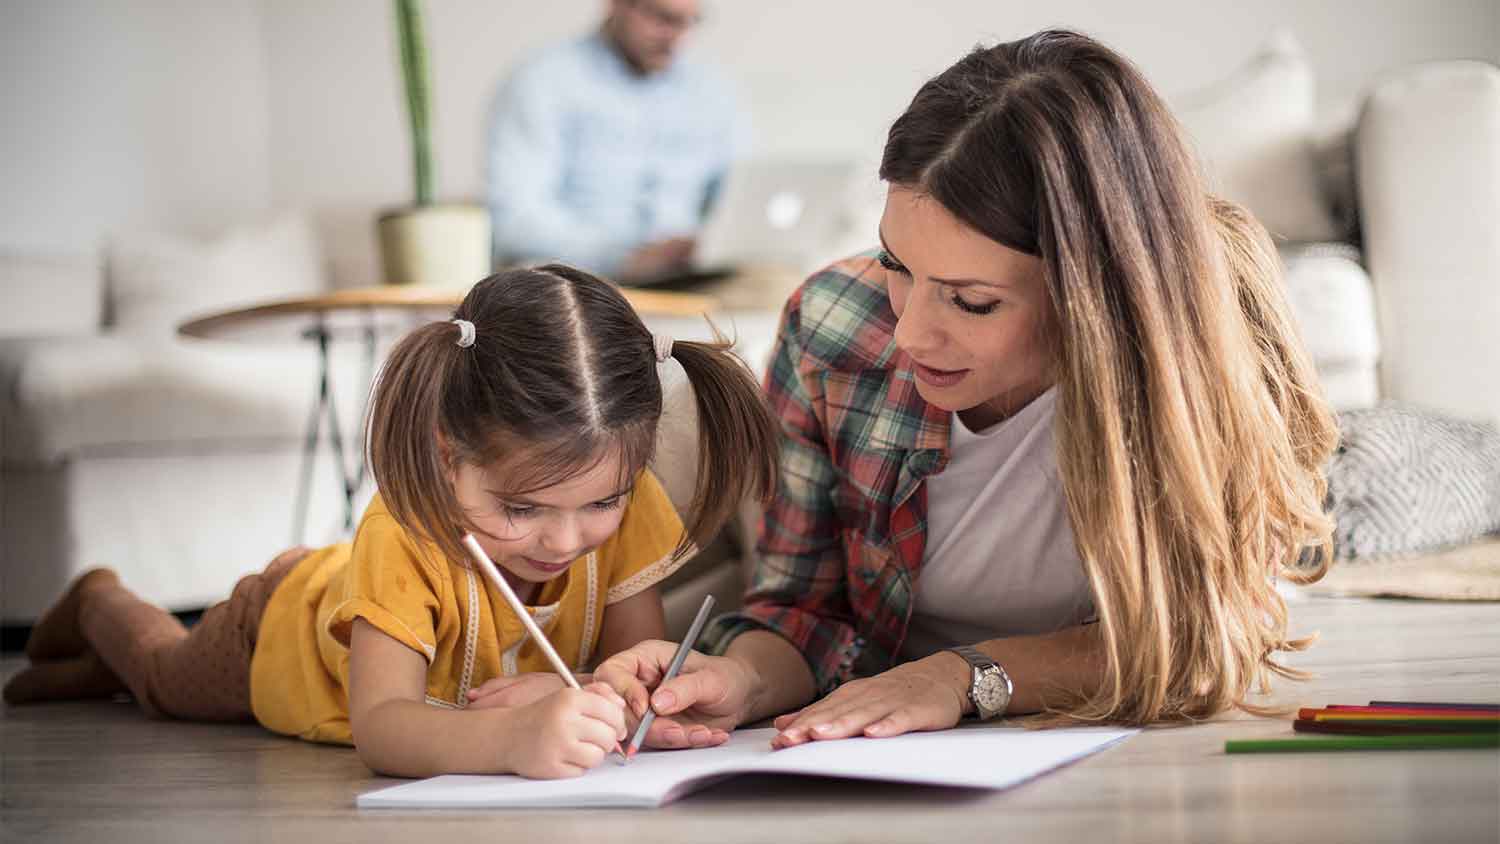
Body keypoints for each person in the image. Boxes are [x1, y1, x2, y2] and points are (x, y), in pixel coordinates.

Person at [596, 30, 1338, 746]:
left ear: (1090, 293)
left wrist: (964, 677)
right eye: (896, 265)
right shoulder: (831, 326)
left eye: (971, 301)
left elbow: (1204, 642)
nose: (912, 334)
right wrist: (737, 679)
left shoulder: (1206, 348)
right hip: (895, 736)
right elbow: (805, 612)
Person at [3, 264, 777, 779]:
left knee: (101, 691)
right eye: (521, 508)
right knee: (161, 680)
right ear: (448, 456)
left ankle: (76, 677)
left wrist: (625, 694)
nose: (567, 540)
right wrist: (513, 737)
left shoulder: (627, 505)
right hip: (271, 636)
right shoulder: (404, 532)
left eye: (600, 503)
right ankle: (100, 597)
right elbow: (383, 726)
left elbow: (621, 661)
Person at [486, 0, 741, 283]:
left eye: (689, 21)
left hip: (691, 283)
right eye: (662, 18)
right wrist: (621, 259)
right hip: (581, 289)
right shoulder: (543, 81)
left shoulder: (711, 91)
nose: (676, 36)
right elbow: (514, 220)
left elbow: (734, 195)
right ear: (616, 5)